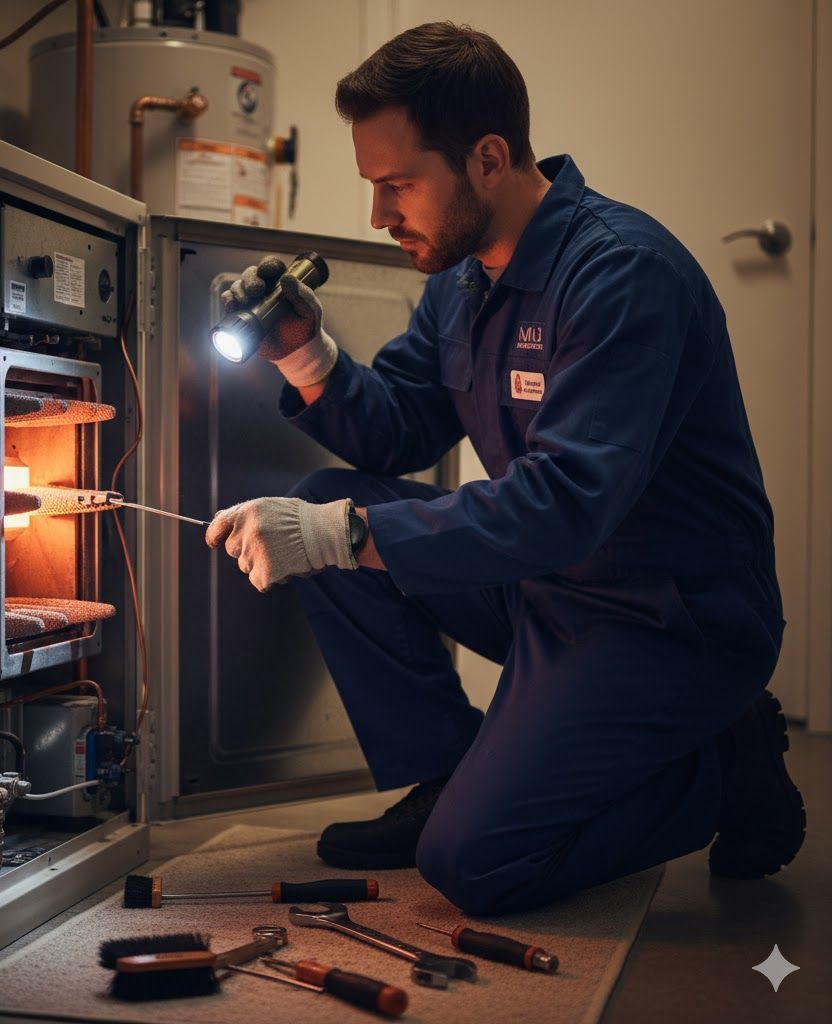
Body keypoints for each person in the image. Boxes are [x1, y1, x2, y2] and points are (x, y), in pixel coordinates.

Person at [205, 21, 805, 915]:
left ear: (488, 158)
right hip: (551, 589)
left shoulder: (624, 275)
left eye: (398, 185)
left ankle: (724, 760)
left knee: (477, 864)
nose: (378, 216)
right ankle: (449, 773)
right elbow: (402, 428)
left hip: (669, 619)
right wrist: (305, 353)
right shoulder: (463, 283)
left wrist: (347, 537)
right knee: (324, 500)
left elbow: (566, 502)